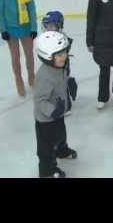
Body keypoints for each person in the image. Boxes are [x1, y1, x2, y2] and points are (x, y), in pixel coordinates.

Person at [33, 31, 77, 178]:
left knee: (60, 133)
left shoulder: (59, 66)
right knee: (46, 146)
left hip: (59, 112)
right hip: (46, 119)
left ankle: (61, 150)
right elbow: (39, 101)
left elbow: (60, 81)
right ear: (47, 56)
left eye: (64, 52)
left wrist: (69, 83)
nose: (64, 57)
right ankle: (47, 170)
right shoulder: (44, 76)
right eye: (60, 55)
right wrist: (53, 111)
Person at [0, 0, 38, 97]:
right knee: (15, 57)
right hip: (10, 29)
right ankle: (19, 83)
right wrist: (3, 30)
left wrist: (33, 27)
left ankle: (32, 78)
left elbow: (31, 8)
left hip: (26, 27)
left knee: (29, 56)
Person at [41, 11, 77, 116]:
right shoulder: (47, 37)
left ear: (58, 25)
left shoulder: (62, 38)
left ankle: (67, 106)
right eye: (46, 25)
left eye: (51, 25)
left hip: (62, 67)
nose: (48, 28)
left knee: (61, 86)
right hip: (51, 67)